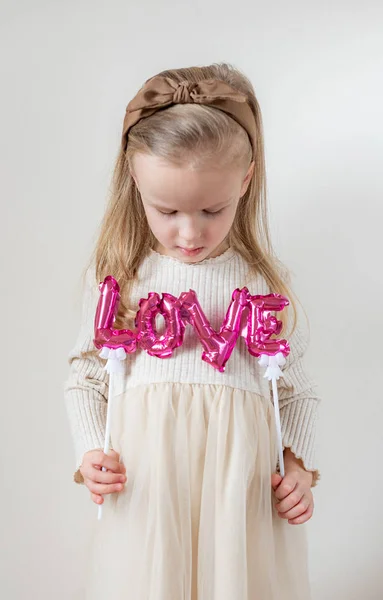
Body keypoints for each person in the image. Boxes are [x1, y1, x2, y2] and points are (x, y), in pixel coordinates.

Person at [64, 62, 320, 600]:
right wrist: (90, 453)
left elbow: (294, 389)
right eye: (168, 210)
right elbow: (86, 374)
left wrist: (296, 465)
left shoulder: (260, 282)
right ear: (135, 179)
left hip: (239, 489)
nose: (189, 232)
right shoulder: (122, 276)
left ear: (245, 180)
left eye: (212, 209)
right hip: (149, 487)